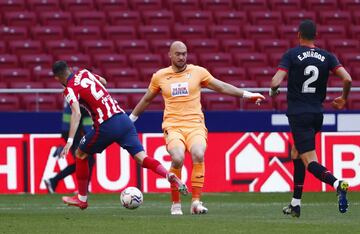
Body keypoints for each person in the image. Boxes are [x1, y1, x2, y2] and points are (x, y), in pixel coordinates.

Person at [129, 41, 265, 215]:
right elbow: (147, 99)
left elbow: (221, 86)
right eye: (178, 54)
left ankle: (196, 202)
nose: (182, 57)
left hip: (195, 125)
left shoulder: (198, 72)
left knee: (198, 154)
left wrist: (248, 95)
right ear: (170, 55)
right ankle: (176, 204)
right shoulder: (160, 76)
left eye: (184, 53)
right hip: (173, 125)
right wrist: (131, 119)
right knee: (177, 158)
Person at [52, 60, 188, 210]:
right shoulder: (84, 72)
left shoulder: (69, 89)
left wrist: (70, 141)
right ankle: (168, 175)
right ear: (70, 69)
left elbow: (76, 113)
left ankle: (81, 199)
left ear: (57, 79)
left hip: (106, 125)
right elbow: (103, 81)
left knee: (80, 154)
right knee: (142, 158)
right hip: (123, 119)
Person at [269, 19, 352, 217]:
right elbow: (347, 78)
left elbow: (275, 81)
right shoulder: (327, 56)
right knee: (296, 152)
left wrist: (273, 91)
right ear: (316, 36)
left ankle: (337, 183)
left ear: (298, 34)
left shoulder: (292, 54)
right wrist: (343, 98)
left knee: (309, 160)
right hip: (316, 115)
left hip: (299, 115)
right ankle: (295, 204)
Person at [44, 101, 95, 194]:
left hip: (73, 133)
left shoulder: (76, 97)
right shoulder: (80, 100)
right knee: (87, 161)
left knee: (84, 161)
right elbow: (84, 111)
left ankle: (54, 181)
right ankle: (83, 189)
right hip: (74, 134)